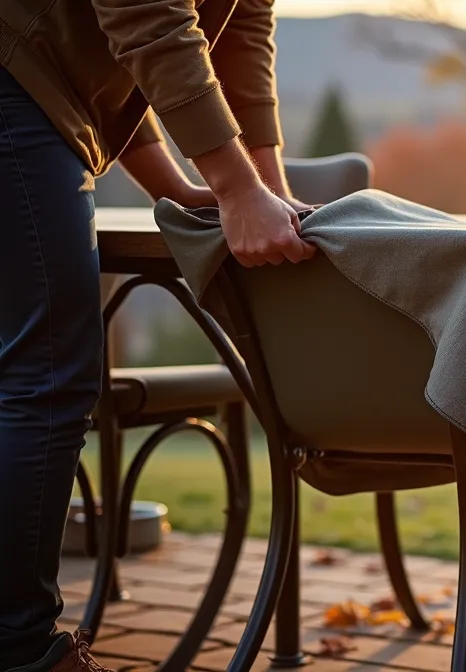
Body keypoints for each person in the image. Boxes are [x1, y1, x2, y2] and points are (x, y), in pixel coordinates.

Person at [0, 1, 315, 669]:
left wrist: (258, 186)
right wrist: (232, 185)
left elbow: (239, 29)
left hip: (41, 92)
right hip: (14, 77)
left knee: (34, 372)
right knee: (48, 374)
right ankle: (21, 649)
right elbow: (147, 21)